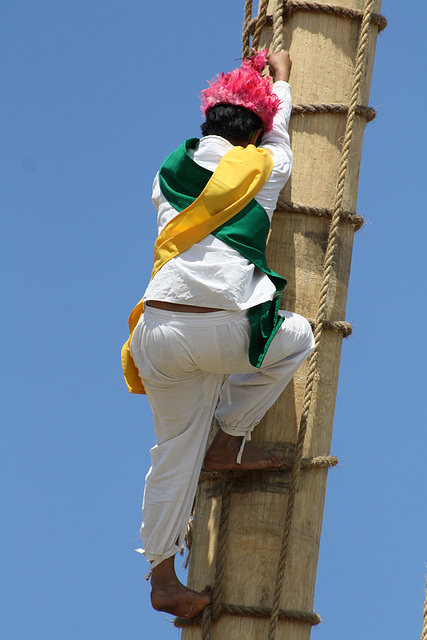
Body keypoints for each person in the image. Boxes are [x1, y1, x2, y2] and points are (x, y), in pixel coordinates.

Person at [122, 49, 315, 618]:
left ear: (208, 121)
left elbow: (248, 131)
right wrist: (279, 80)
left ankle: (161, 577)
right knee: (297, 336)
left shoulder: (167, 172)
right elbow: (278, 128)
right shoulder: (265, 170)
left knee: (171, 455)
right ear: (253, 132)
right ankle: (229, 441)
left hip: (155, 332)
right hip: (219, 332)